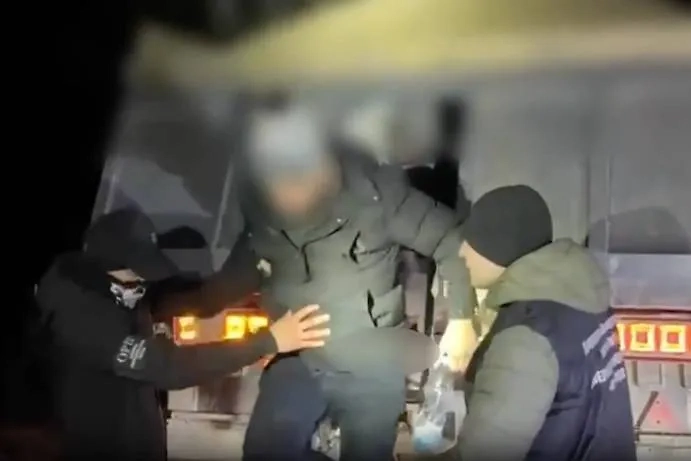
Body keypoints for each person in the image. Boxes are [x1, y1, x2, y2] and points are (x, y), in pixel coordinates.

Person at [161, 99, 478, 461]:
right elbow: (222, 289)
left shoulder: (378, 197)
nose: (286, 192)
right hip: (300, 360)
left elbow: (451, 242)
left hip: (371, 364)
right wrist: (161, 305)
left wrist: (462, 320)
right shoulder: (263, 222)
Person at [35, 209, 330, 461]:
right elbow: (166, 367)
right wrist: (269, 341)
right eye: (135, 276)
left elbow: (202, 300)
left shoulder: (123, 293)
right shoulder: (79, 316)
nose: (142, 285)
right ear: (106, 267)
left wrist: (258, 253)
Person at [456, 185, 637, 461]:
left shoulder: (525, 338)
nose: (461, 252)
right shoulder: (577, 299)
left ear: (500, 247)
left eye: (472, 241)